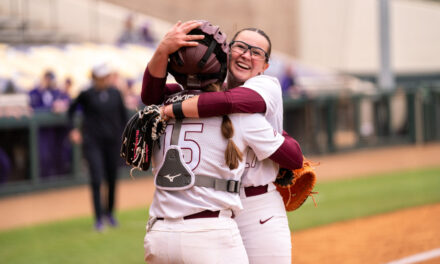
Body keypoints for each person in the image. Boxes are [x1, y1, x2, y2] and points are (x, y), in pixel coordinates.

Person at [142, 21, 303, 263]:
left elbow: (229, 102)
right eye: (241, 47)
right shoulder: (204, 92)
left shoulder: (265, 85)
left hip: (255, 203)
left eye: (257, 52)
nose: (247, 55)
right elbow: (150, 96)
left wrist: (174, 109)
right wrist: (162, 50)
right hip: (215, 206)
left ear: (265, 66)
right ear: (227, 52)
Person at [67, 62, 128, 231]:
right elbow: (71, 110)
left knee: (112, 178)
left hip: (113, 142)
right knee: (96, 178)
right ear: (94, 78)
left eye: (106, 77)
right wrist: (73, 129)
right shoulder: (86, 94)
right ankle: (99, 218)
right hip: (93, 142)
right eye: (101, 78)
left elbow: (123, 117)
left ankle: (110, 213)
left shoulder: (116, 93)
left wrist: (125, 138)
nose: (104, 80)